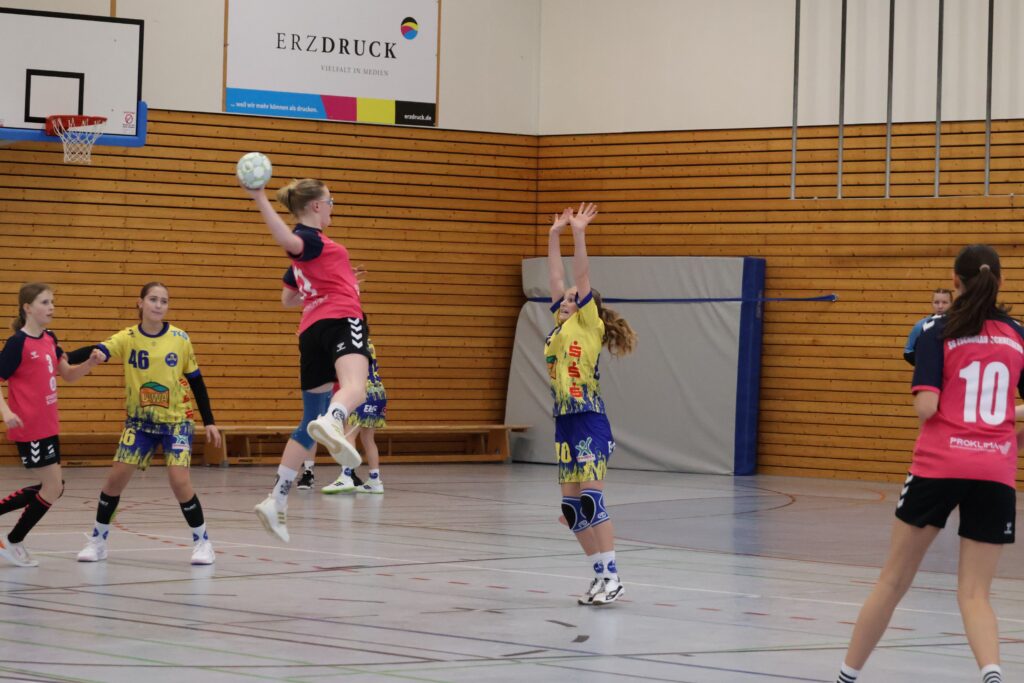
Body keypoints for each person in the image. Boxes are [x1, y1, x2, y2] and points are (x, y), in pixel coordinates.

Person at [835, 245, 1021, 683]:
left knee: (892, 581)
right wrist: (1003, 431)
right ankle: (992, 674)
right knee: (975, 593)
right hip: (995, 471)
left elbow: (926, 407)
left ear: (955, 282)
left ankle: (846, 676)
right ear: (999, 281)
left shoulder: (937, 329)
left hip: (940, 465)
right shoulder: (1018, 334)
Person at [243, 178, 369, 543]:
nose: (332, 207)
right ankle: (335, 420)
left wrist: (341, 281)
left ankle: (277, 498)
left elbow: (289, 299)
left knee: (307, 422)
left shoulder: (313, 253)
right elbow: (288, 240)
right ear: (316, 205)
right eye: (331, 201)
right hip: (342, 320)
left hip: (311, 330)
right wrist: (259, 197)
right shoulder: (309, 239)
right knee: (355, 388)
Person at [75, 282, 221, 565]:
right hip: (139, 424)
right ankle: (98, 541)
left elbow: (196, 381)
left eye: (164, 301)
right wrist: (68, 356)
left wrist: (210, 421)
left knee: (179, 481)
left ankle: (203, 543)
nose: (158, 305)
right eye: (153, 299)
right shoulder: (128, 337)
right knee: (114, 481)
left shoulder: (180, 338)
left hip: (176, 422)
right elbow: (100, 348)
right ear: (140, 303)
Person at [547, 203, 637, 606]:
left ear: (586, 307)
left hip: (589, 419)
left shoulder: (588, 324)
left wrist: (579, 233)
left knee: (591, 499)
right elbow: (556, 277)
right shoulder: (560, 327)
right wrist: (553, 234)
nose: (566, 300)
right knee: (571, 508)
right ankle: (600, 576)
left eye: (572, 298)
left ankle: (614, 577)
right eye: (565, 299)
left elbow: (579, 276)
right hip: (564, 421)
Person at [0, 283, 100, 566]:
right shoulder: (17, 343)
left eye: (52, 302)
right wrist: (6, 412)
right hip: (29, 427)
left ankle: (12, 539)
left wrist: (89, 364)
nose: (52, 307)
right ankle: (13, 540)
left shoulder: (49, 338)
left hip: (48, 426)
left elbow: (67, 374)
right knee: (53, 487)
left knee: (54, 487)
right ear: (27, 308)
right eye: (45, 302)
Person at [321, 338, 387, 494]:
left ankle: (346, 476)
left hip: (363, 391)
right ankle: (375, 480)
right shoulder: (368, 342)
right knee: (368, 439)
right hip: (378, 391)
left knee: (348, 435)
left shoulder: (349, 343)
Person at [903, 288, 953, 365]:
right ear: (932, 303)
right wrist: (924, 363)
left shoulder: (957, 325)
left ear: (951, 304)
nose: (940, 306)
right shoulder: (921, 325)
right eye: (936, 302)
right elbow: (908, 351)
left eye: (944, 302)